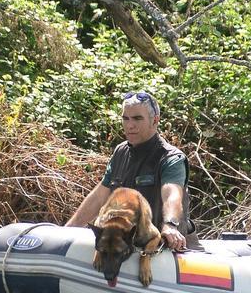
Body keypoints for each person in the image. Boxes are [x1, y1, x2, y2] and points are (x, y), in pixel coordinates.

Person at [67, 90, 195, 251]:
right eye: (125, 118)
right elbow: (99, 197)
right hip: (126, 247)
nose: (130, 125)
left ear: (155, 121)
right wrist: (68, 230)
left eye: (137, 118)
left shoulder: (171, 158)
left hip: (164, 250)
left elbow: (172, 195)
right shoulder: (121, 152)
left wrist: (170, 225)